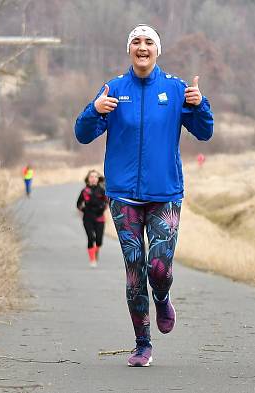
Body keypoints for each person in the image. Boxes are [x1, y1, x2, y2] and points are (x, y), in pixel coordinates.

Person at [74, 24, 213, 368]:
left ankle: (163, 297)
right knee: (135, 270)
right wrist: (95, 109)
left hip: (165, 194)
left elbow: (205, 132)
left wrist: (199, 105)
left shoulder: (176, 89)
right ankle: (142, 344)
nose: (142, 47)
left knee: (159, 267)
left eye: (148, 42)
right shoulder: (114, 89)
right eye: (136, 41)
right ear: (129, 50)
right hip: (123, 195)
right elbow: (82, 134)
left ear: (158, 50)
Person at [76, 170, 108, 268]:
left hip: (100, 218)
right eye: (91, 176)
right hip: (88, 218)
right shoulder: (85, 191)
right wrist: (83, 209)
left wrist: (103, 207)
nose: (93, 178)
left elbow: (107, 202)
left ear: (98, 179)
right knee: (91, 238)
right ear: (88, 179)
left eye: (95, 176)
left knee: (99, 240)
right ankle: (92, 260)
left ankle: (96, 250)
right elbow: (78, 204)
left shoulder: (102, 190)